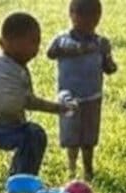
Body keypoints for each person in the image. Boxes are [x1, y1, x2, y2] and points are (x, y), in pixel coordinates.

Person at [0, 12, 75, 176]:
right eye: (33, 43)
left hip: (4, 124)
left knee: (34, 135)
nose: (37, 49)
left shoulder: (14, 65)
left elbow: (25, 99)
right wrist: (53, 107)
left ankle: (22, 178)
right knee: (32, 135)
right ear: (10, 43)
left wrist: (56, 108)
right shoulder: (0, 65)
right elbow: (11, 104)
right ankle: (21, 183)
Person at [47, 0, 118, 181]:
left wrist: (109, 62)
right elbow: (50, 52)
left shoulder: (101, 43)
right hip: (68, 97)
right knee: (71, 136)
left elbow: (108, 67)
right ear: (71, 14)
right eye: (82, 16)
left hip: (92, 96)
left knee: (89, 136)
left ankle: (88, 168)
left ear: (98, 18)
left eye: (92, 18)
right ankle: (71, 168)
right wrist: (75, 49)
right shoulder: (63, 39)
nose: (87, 22)